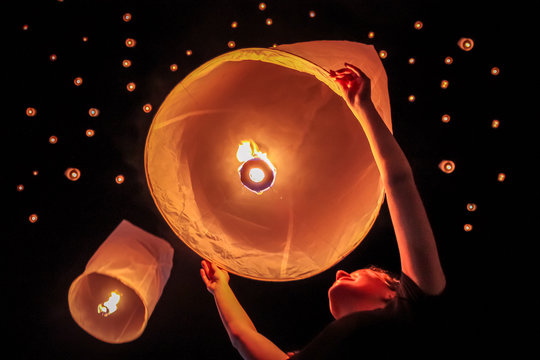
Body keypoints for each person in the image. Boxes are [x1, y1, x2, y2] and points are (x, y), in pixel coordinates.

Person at [200, 63, 447, 359]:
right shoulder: (411, 305)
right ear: (391, 290)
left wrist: (363, 106)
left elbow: (244, 340)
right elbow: (399, 182)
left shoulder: (414, 309)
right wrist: (221, 289)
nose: (341, 271)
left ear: (393, 294)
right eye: (360, 272)